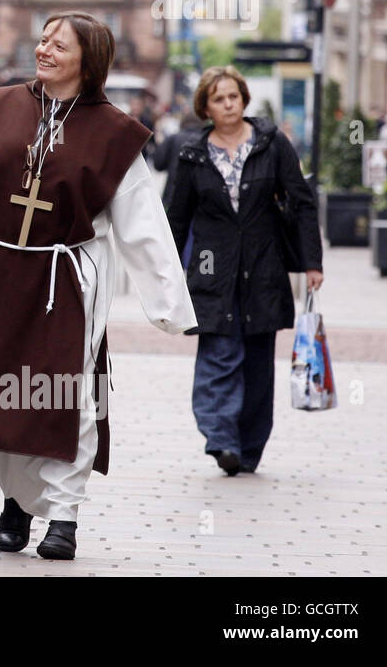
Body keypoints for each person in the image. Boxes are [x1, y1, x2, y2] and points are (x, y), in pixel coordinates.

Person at [0, 11, 196, 560]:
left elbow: (142, 221)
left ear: (90, 59)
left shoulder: (114, 132)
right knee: (1, 392)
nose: (45, 50)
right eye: (43, 40)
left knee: (67, 393)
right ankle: (15, 500)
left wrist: (168, 299)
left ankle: (63, 514)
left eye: (60, 45)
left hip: (69, 277)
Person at [165, 66, 324, 477]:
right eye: (218, 99)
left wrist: (312, 263)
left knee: (256, 360)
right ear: (206, 106)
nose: (228, 104)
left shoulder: (272, 145)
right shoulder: (192, 153)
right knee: (218, 352)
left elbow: (302, 202)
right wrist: (164, 273)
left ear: (244, 98)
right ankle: (221, 438)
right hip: (212, 268)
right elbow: (176, 218)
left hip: (263, 266)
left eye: (234, 96)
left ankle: (249, 447)